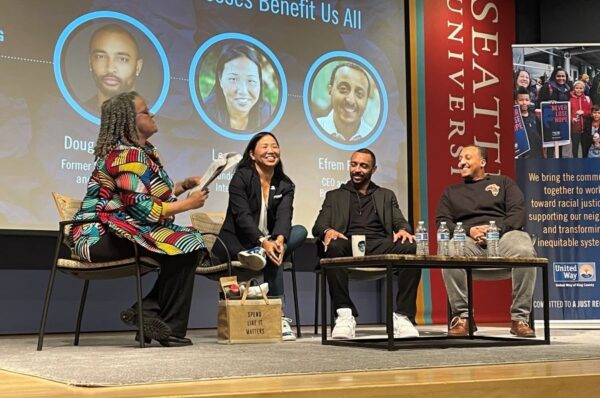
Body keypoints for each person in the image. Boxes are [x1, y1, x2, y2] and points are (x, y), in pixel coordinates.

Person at [70, 91, 208, 347]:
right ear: (129, 121)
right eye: (146, 111)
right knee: (188, 243)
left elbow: (153, 194)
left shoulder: (143, 151)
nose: (152, 114)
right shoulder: (125, 156)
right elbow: (141, 207)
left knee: (188, 243)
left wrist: (183, 186)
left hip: (121, 230)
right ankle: (158, 320)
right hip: (97, 237)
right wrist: (187, 204)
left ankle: (151, 316)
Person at [312, 149, 421, 339]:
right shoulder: (334, 195)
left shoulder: (386, 195)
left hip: (378, 245)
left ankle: (403, 316)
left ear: (373, 169)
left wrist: (404, 230)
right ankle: (344, 313)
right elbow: (319, 225)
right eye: (354, 164)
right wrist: (328, 231)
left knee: (410, 247)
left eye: (363, 166)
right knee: (335, 246)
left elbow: (400, 222)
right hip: (348, 245)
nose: (357, 169)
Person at [213, 132, 307, 341]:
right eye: (264, 146)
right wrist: (263, 241)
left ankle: (265, 254)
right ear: (252, 154)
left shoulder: (285, 184)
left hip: (269, 241)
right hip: (240, 241)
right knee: (275, 257)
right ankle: (278, 313)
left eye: (274, 146)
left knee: (299, 232)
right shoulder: (242, 177)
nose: (271, 150)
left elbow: (285, 216)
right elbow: (242, 216)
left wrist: (279, 240)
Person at [436, 145, 537, 338]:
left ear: (482, 162)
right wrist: (469, 230)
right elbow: (442, 221)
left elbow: (518, 213)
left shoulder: (504, 183)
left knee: (524, 248)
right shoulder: (451, 192)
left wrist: (496, 230)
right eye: (459, 159)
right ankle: (463, 317)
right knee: (449, 250)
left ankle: (519, 318)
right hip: (467, 241)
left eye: (467, 157)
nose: (461, 162)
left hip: (503, 237)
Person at [203, 42, 273, 132]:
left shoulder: (267, 113)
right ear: (220, 79)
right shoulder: (206, 111)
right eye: (233, 79)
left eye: (251, 81)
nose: (243, 91)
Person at [85, 24, 143, 113]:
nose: (110, 68)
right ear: (90, 63)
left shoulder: (161, 121)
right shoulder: (69, 118)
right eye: (100, 57)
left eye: (122, 59)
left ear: (138, 67)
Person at [316, 62, 374, 142]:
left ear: (366, 101)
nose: (350, 100)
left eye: (359, 94)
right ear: (330, 89)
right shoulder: (312, 128)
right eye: (343, 89)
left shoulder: (376, 138)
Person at [515, 86, 543, 158]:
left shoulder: (534, 116)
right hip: (524, 156)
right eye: (521, 100)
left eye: (527, 100)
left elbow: (539, 133)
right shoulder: (515, 119)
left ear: (530, 101)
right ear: (516, 101)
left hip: (537, 154)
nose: (524, 102)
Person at [569, 80, 592, 158]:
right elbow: (567, 113)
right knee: (575, 147)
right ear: (574, 88)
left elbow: (591, 111)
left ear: (584, 89)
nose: (579, 90)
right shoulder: (570, 99)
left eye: (581, 88)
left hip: (585, 128)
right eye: (577, 88)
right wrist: (572, 119)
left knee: (585, 148)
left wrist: (583, 112)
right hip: (575, 128)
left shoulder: (588, 98)